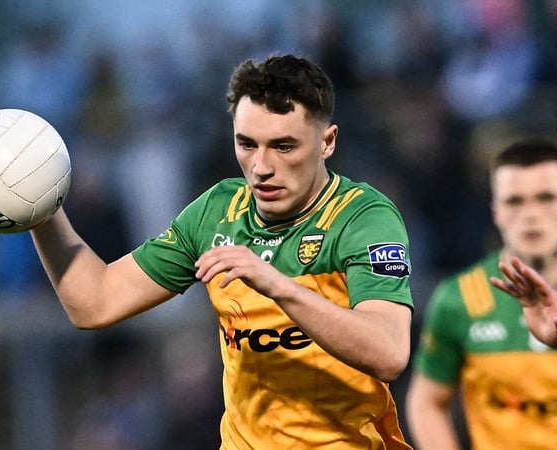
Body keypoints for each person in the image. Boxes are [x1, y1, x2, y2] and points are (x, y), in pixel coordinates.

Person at [30, 53, 415, 449]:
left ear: (327, 142)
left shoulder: (363, 218)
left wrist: (276, 285)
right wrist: (39, 211)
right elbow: (95, 301)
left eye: (283, 146)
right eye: (247, 144)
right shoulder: (216, 212)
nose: (261, 166)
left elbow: (388, 352)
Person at [406, 137, 557, 450]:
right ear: (496, 212)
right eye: (515, 201)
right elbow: (426, 402)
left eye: (545, 198)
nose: (530, 214)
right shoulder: (459, 298)